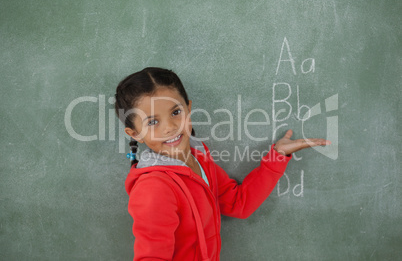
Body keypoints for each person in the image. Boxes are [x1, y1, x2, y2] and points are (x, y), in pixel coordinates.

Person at [114, 67, 330, 261]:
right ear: (135, 134)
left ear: (189, 108)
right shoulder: (154, 188)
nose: (170, 127)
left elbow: (239, 203)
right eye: (152, 122)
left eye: (176, 112)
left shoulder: (199, 159)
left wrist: (278, 156)